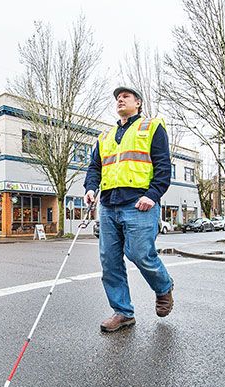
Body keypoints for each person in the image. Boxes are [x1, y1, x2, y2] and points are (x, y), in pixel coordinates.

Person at [84, 86, 174, 333]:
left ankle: (164, 286)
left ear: (139, 102)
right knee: (109, 262)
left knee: (139, 253)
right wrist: (91, 188)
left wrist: (152, 195)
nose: (120, 100)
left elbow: (163, 166)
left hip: (139, 203)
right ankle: (123, 313)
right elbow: (95, 168)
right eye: (117, 98)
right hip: (108, 205)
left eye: (125, 96)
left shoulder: (151, 127)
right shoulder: (105, 136)